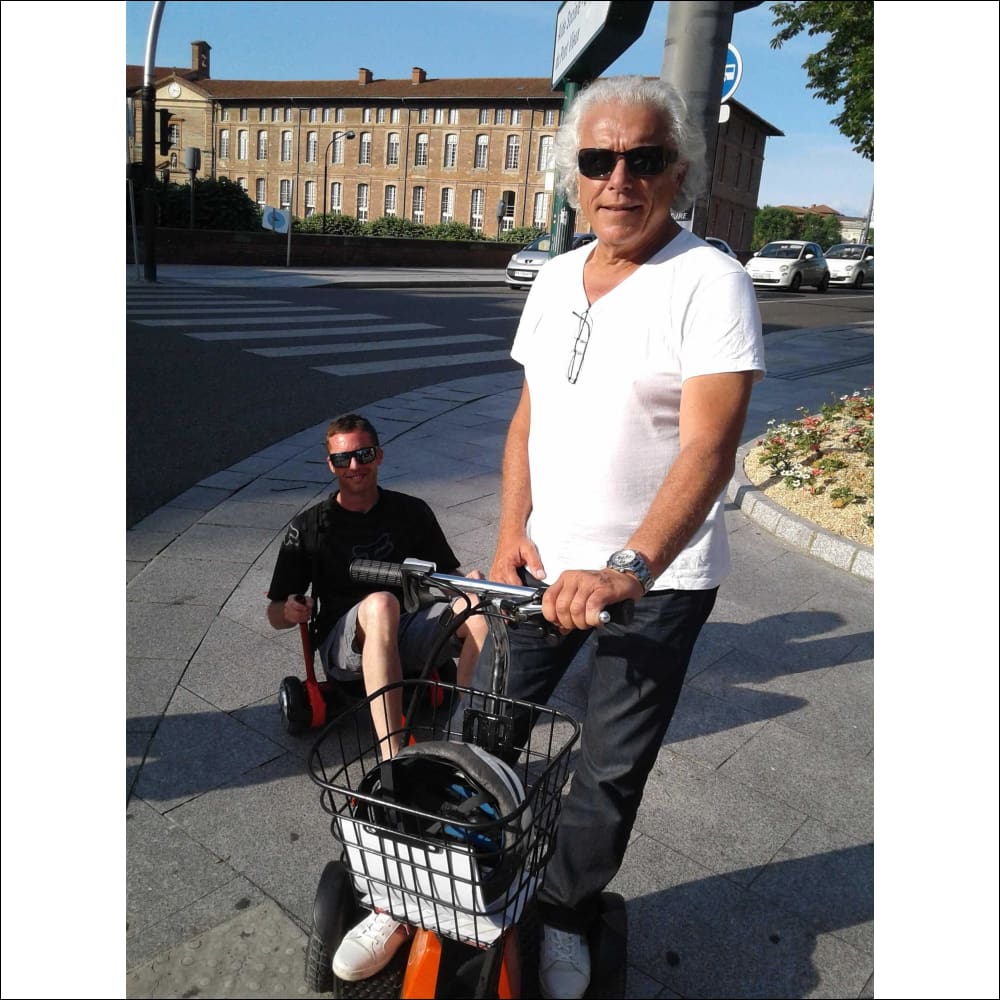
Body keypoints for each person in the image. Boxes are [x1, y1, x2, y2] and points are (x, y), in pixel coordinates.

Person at [481, 76, 766, 999]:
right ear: (575, 174)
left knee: (608, 769)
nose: (619, 179)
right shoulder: (555, 276)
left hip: (656, 584)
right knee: (479, 728)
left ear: (677, 171)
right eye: (599, 159)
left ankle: (566, 913)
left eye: (643, 159)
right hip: (539, 569)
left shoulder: (711, 281)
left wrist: (628, 568)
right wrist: (508, 533)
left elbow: (710, 448)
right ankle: (435, 890)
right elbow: (529, 419)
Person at [266, 412, 488, 981]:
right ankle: (395, 763)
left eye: (363, 454)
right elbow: (274, 611)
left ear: (379, 455)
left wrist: (466, 588)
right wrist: (289, 610)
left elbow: (448, 577)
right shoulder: (310, 527)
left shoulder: (411, 511)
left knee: (476, 610)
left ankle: (462, 744)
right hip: (346, 642)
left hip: (405, 632)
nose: (355, 466)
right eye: (343, 458)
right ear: (330, 464)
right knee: (380, 603)